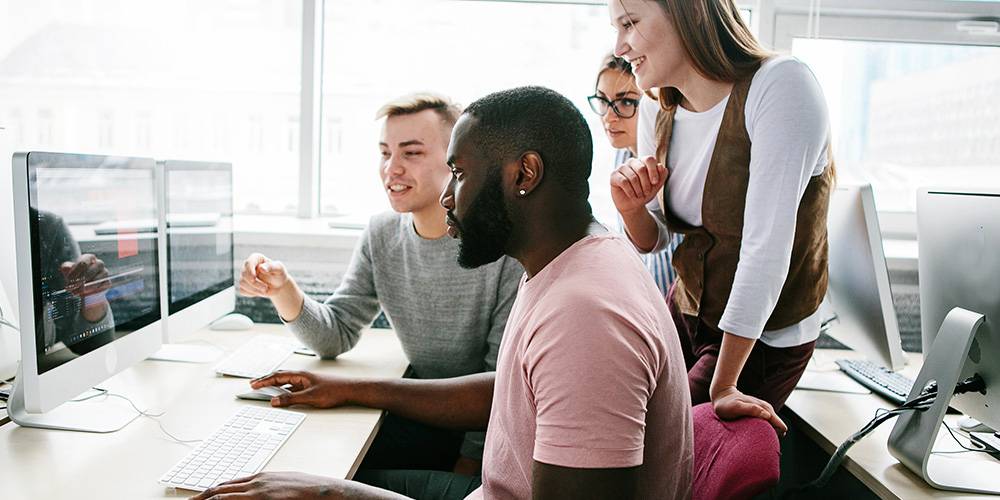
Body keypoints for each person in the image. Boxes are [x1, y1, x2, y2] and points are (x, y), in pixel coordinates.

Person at [197, 86, 693, 500]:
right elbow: (516, 391)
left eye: (459, 173)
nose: (449, 196)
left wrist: (334, 495)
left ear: (524, 174)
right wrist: (351, 388)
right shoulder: (569, 261)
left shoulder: (585, 313)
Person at [238, 93, 523, 477]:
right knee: (296, 454)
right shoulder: (382, 234)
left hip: (482, 434)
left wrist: (470, 463)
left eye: (412, 153)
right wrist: (283, 290)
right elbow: (335, 336)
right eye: (385, 153)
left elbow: (499, 385)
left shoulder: (500, 249)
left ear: (456, 161)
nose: (392, 169)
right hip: (423, 411)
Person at [608, 0, 834, 430]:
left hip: (760, 337)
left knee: (657, 444)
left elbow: (765, 249)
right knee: (615, 421)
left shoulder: (782, 85)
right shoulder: (658, 106)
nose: (620, 46)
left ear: (690, 12)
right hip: (687, 309)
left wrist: (725, 386)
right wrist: (630, 207)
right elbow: (654, 238)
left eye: (630, 23)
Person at [588, 52, 681, 295]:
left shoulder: (673, 163)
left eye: (626, 102)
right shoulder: (624, 154)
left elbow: (663, 242)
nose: (609, 116)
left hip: (684, 306)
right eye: (602, 100)